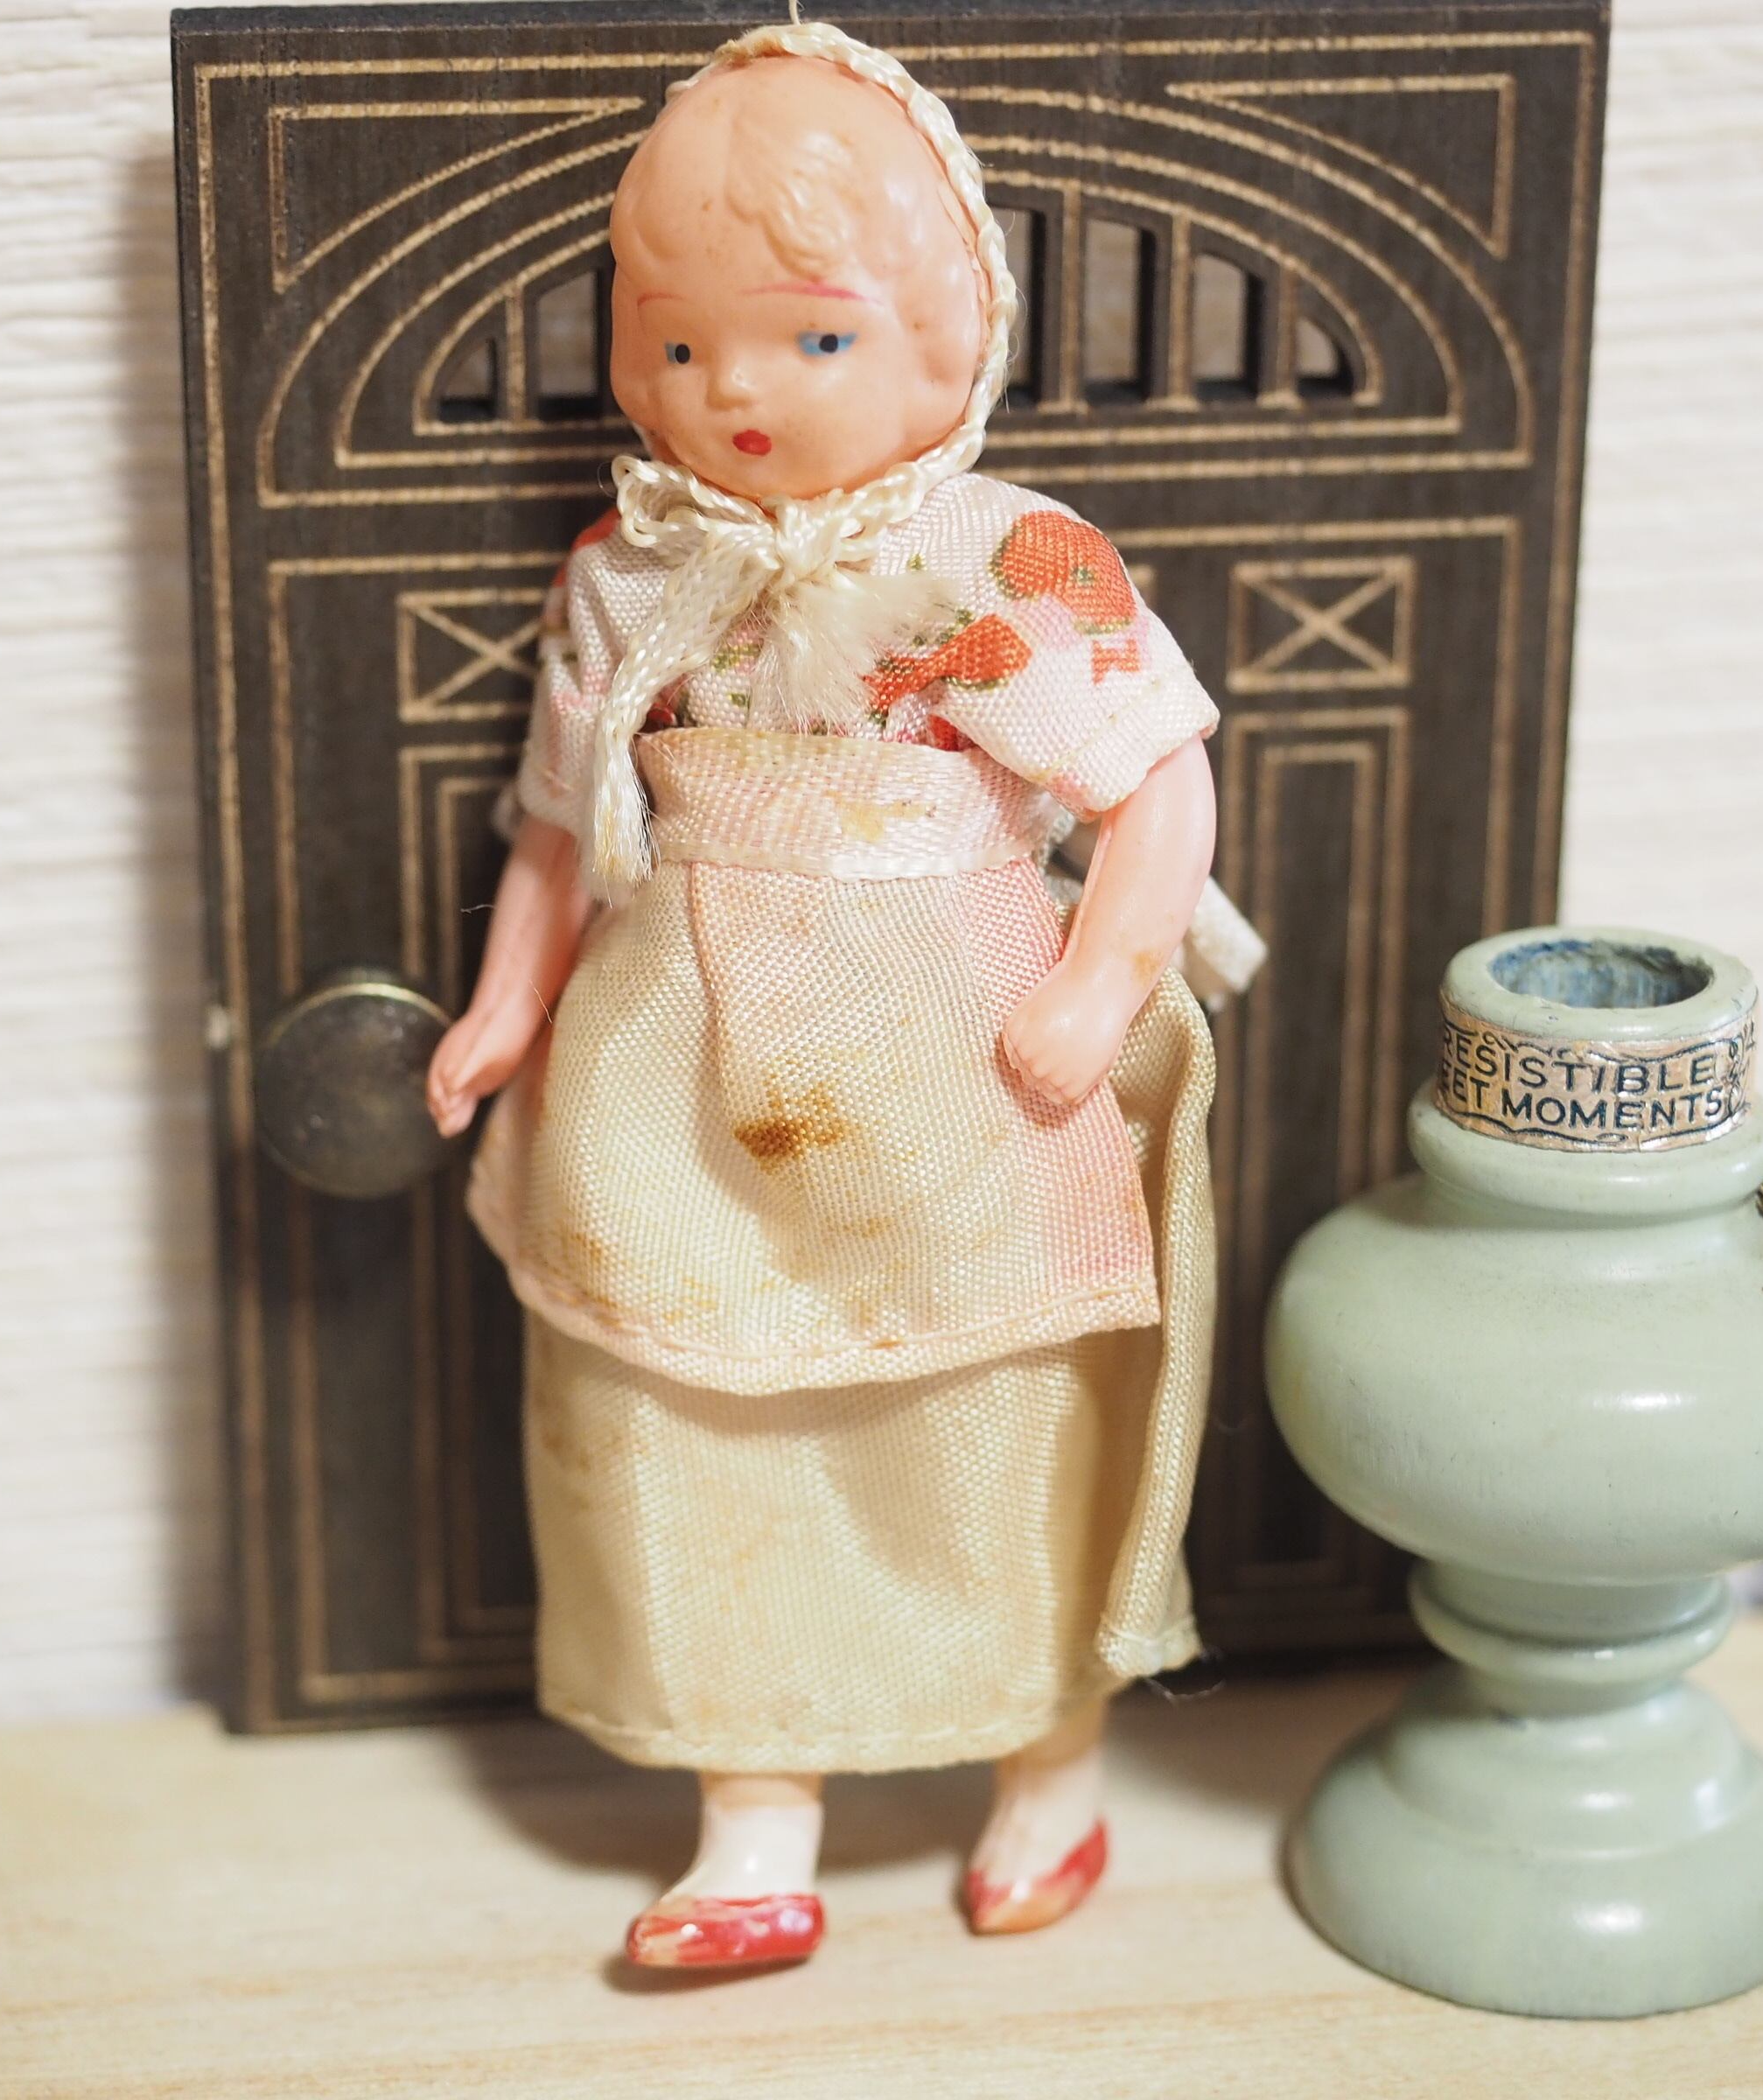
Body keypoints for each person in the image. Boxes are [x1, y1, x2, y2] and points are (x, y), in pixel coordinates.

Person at [425, 19, 1227, 1970]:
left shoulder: (1008, 556)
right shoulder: (628, 567)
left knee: (993, 1407)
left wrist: (1101, 976)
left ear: (954, 341)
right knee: (701, 1411)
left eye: (812, 338)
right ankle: (751, 1810)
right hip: (678, 1042)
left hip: (952, 1037)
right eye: (681, 344)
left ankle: (1048, 1759)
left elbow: (1159, 780)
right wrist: (506, 1002)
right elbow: (564, 819)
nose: (737, 392)